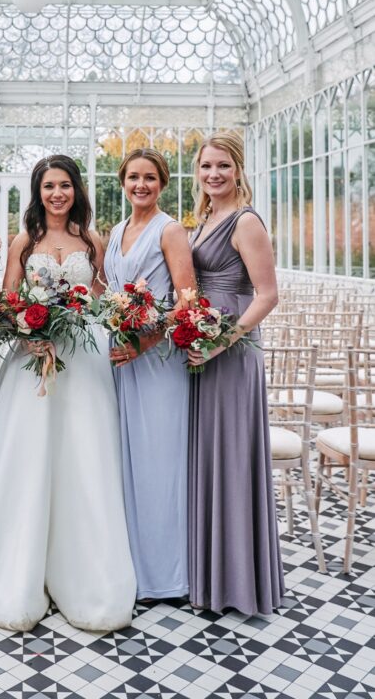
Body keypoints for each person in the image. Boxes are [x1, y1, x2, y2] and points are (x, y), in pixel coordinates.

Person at [0, 155, 136, 631]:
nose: (57, 194)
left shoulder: (91, 241)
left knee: (83, 458)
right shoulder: (24, 241)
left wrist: (107, 316)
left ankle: (83, 575)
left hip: (83, 361)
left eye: (65, 185)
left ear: (76, 191)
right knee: (27, 458)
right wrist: (27, 331)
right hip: (33, 361)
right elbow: (8, 300)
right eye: (49, 186)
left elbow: (101, 299)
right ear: (38, 192)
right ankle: (16, 571)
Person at [188, 131, 284, 615]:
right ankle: (208, 573)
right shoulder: (204, 219)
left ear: (239, 169)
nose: (214, 174)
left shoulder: (246, 221)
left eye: (223, 165)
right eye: (207, 166)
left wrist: (221, 342)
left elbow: (267, 295)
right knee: (208, 455)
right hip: (202, 347)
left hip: (232, 351)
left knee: (230, 456)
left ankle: (237, 583)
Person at [105, 148, 197, 602]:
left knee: (159, 463)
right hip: (121, 361)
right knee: (128, 464)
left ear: (162, 183)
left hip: (157, 362)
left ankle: (167, 576)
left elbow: (187, 300)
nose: (140, 185)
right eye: (133, 177)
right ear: (123, 182)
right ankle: (133, 568)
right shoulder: (117, 231)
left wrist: (144, 342)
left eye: (150, 178)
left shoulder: (170, 230)